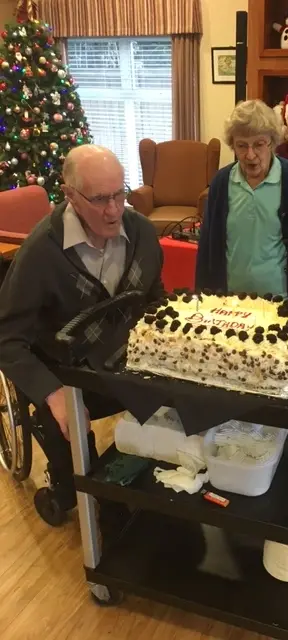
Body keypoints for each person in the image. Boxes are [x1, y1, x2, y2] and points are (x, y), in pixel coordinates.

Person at [0, 144, 163, 517]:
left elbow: (154, 297)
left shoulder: (141, 232)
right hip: (66, 370)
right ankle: (77, 490)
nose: (114, 210)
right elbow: (6, 337)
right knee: (67, 429)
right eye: (100, 199)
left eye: (119, 194)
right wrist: (52, 393)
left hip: (126, 358)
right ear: (70, 195)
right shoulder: (42, 252)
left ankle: (150, 486)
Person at [196, 99, 288, 318]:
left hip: (282, 302)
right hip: (229, 304)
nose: (250, 155)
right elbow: (207, 243)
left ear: (272, 142)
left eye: (259, 144)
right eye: (241, 145)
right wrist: (202, 295)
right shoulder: (221, 183)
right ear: (232, 145)